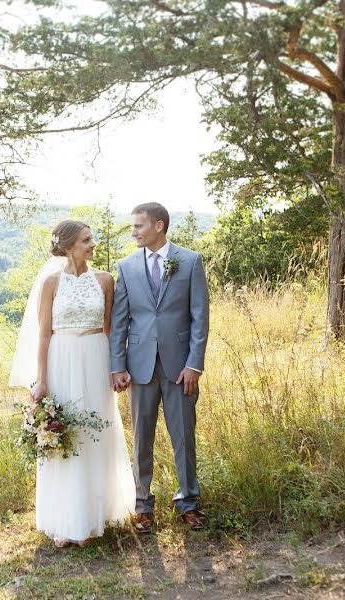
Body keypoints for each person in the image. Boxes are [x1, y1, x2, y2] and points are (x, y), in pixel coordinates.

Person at [9, 219, 135, 547]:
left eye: (92, 239)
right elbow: (43, 334)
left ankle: (94, 517)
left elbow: (111, 331)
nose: (93, 244)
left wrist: (116, 369)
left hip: (96, 358)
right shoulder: (51, 283)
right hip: (61, 359)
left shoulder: (106, 281)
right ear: (68, 247)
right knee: (65, 437)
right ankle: (64, 520)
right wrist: (41, 380)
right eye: (86, 240)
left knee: (96, 433)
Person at [110, 202, 210, 532]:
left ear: (159, 226)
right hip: (139, 367)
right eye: (132, 227)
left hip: (180, 367)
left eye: (139, 226)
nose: (134, 232)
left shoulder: (190, 261)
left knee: (184, 436)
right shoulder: (125, 267)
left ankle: (188, 502)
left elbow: (199, 318)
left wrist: (194, 364)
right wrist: (117, 366)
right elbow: (120, 320)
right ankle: (142, 506)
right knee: (141, 438)